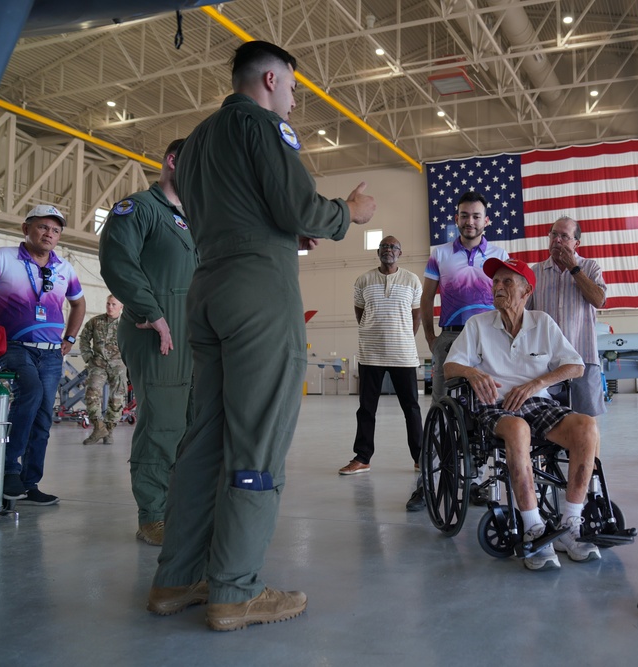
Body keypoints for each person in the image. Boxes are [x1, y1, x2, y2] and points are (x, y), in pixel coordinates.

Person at [145, 41, 375, 631]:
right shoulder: (263, 125)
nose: (295, 102)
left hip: (208, 288)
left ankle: (176, 579)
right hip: (258, 295)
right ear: (271, 79)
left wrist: (279, 233)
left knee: (203, 441)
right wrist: (349, 212)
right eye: (295, 89)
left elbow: (229, 212)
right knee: (258, 439)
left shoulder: (194, 143)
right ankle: (235, 589)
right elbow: (299, 205)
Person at [444, 257, 601, 570]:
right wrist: (473, 374)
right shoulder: (478, 324)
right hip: (494, 405)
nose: (498, 287)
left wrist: (537, 384)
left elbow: (576, 365)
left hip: (537, 402)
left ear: (527, 291)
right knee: (517, 430)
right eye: (496, 282)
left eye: (507, 283)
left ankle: (570, 523)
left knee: (586, 426)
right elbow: (450, 366)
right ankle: (533, 526)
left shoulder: (542, 322)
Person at [99, 139, 197, 547]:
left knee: (192, 425)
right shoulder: (139, 208)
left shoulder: (190, 220)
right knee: (164, 423)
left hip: (191, 338)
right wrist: (150, 313)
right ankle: (153, 515)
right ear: (172, 161)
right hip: (157, 332)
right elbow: (117, 261)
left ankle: (183, 507)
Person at [407, 191, 508, 511]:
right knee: (441, 408)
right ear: (456, 219)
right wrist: (430, 339)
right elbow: (426, 299)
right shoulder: (439, 254)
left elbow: (507, 296)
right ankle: (426, 484)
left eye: (476, 216)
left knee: (480, 409)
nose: (470, 221)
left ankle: (474, 482)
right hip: (450, 339)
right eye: (464, 215)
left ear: (486, 220)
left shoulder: (498, 253)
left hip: (487, 341)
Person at [0, 204, 86, 505]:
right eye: (43, 227)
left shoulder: (64, 269)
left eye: (55, 230)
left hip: (51, 353)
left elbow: (78, 304)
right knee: (29, 393)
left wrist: (70, 338)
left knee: (44, 417)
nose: (49, 234)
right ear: (26, 228)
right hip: (15, 347)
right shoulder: (2, 258)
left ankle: (29, 483)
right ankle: (8, 473)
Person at [339, 235, 423, 475]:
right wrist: (372, 332)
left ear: (400, 253)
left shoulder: (411, 280)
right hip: (370, 355)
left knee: (412, 408)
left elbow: (416, 315)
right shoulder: (363, 280)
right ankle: (362, 458)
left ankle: (419, 458)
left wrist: (403, 335)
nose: (388, 249)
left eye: (393, 247)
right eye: (384, 246)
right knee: (366, 408)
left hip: (404, 355)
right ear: (378, 252)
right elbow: (360, 312)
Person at [527, 216, 607, 417]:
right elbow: (524, 316)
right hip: (545, 362)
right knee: (546, 422)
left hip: (583, 357)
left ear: (576, 243)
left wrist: (574, 268)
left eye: (564, 236)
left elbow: (599, 300)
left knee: (586, 424)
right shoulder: (535, 273)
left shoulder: (590, 268)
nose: (557, 240)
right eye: (554, 234)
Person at [79, 294, 127, 446]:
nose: (110, 307)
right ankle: (99, 427)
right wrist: (88, 357)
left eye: (113, 304)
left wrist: (129, 361)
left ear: (121, 307)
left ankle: (109, 430)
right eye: (108, 304)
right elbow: (84, 338)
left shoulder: (127, 325)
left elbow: (135, 344)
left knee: (117, 398)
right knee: (91, 392)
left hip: (118, 364)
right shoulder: (95, 321)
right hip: (98, 363)